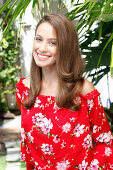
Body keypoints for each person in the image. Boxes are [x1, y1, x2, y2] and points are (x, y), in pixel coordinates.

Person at [16, 14, 113, 170]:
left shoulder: (83, 90)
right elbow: (30, 151)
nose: (42, 48)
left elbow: (105, 141)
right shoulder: (24, 90)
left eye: (52, 43)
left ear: (66, 47)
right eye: (38, 39)